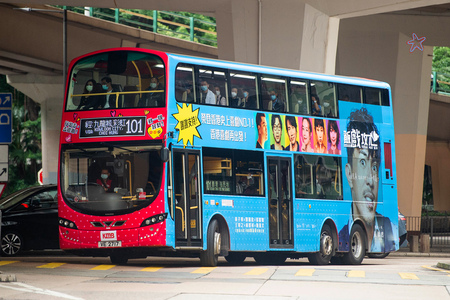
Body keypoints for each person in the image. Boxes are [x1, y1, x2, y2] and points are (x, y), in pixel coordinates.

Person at [340, 107, 396, 253]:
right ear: (349, 174)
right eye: (363, 162)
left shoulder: (389, 226)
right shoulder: (341, 234)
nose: (371, 181)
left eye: (375, 166)